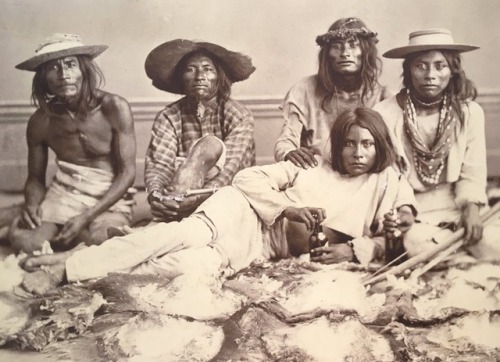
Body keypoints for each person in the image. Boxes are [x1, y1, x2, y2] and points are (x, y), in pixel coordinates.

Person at [20, 107, 417, 295]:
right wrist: (287, 208)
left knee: (176, 268)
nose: (357, 152)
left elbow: (403, 228)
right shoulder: (312, 165)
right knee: (174, 238)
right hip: (239, 213)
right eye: (349, 143)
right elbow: (246, 178)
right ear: (338, 145)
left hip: (262, 247)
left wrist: (357, 248)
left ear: (379, 146)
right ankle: (64, 270)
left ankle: (72, 262)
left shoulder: (385, 181)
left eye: (366, 144)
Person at [374, 29, 498, 258]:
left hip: (457, 203)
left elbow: (473, 171)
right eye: (421, 66)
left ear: (452, 70)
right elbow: (389, 176)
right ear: (408, 70)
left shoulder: (470, 112)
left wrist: (472, 209)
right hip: (412, 208)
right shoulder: (385, 114)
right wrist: (404, 210)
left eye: (440, 66)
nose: (430, 74)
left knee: (493, 244)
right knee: (419, 246)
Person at [9, 33, 137, 254]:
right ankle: (26, 217)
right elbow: (35, 179)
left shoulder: (114, 107)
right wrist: (31, 203)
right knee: (27, 243)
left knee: (104, 242)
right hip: (65, 192)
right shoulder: (41, 121)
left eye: (70, 65)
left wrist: (86, 216)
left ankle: (73, 241)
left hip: (109, 194)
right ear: (43, 78)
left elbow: (127, 173)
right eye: (53, 68)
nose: (63, 74)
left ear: (84, 71)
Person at [143, 39, 256, 222]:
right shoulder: (168, 116)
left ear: (219, 77)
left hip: (227, 198)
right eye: (190, 69)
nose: (199, 76)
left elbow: (229, 171)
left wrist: (194, 199)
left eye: (208, 69)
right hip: (177, 196)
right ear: (181, 77)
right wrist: (156, 196)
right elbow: (159, 165)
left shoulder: (239, 115)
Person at [275, 17, 392, 169]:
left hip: (365, 175)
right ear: (327, 55)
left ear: (366, 52)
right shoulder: (304, 89)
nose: (345, 53)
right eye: (337, 47)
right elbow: (286, 139)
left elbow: (390, 150)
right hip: (317, 172)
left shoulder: (382, 96)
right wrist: (289, 152)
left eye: (353, 45)